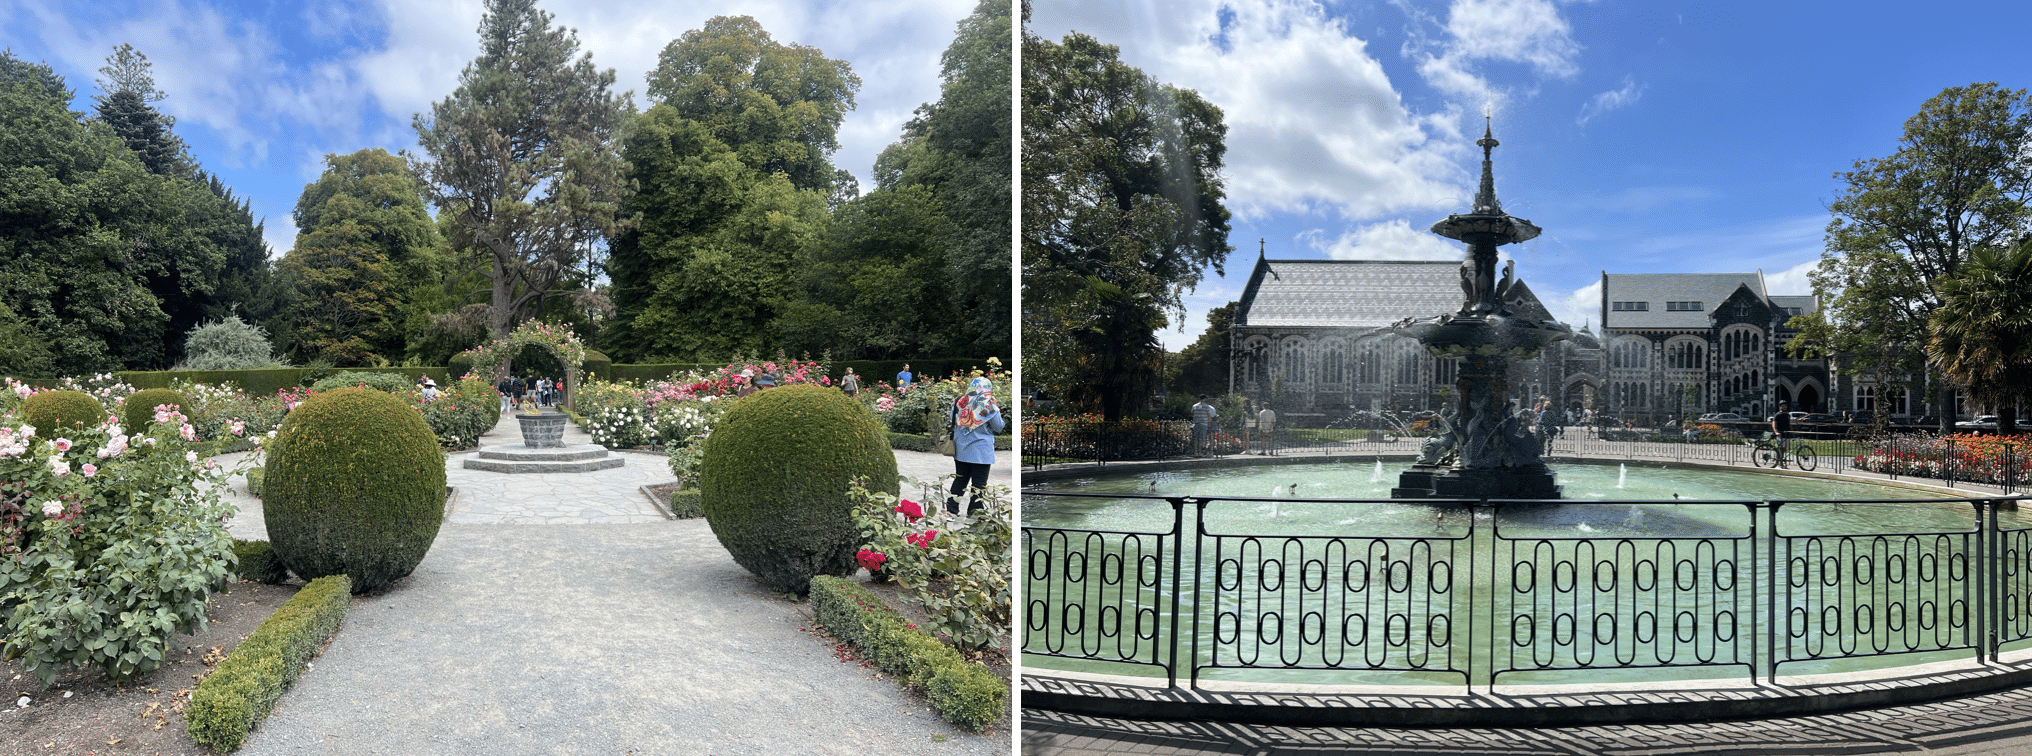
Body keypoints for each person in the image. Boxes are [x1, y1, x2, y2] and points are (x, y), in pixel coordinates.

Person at [946, 376, 1006, 515]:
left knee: (960, 480)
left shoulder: (959, 403)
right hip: (981, 452)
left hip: (961, 449)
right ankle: (974, 514)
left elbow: (952, 419)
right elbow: (998, 427)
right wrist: (995, 407)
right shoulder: (989, 406)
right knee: (978, 485)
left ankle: (951, 510)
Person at [1769, 400, 1793, 466]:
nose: (1784, 407)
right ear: (1780, 407)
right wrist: (1776, 432)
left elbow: (1789, 424)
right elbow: (1773, 424)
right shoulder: (1777, 415)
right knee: (1780, 449)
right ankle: (1779, 462)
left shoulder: (1787, 415)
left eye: (1785, 406)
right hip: (1780, 434)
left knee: (1784, 449)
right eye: (1782, 406)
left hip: (1786, 434)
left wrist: (1792, 431)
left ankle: (1780, 461)